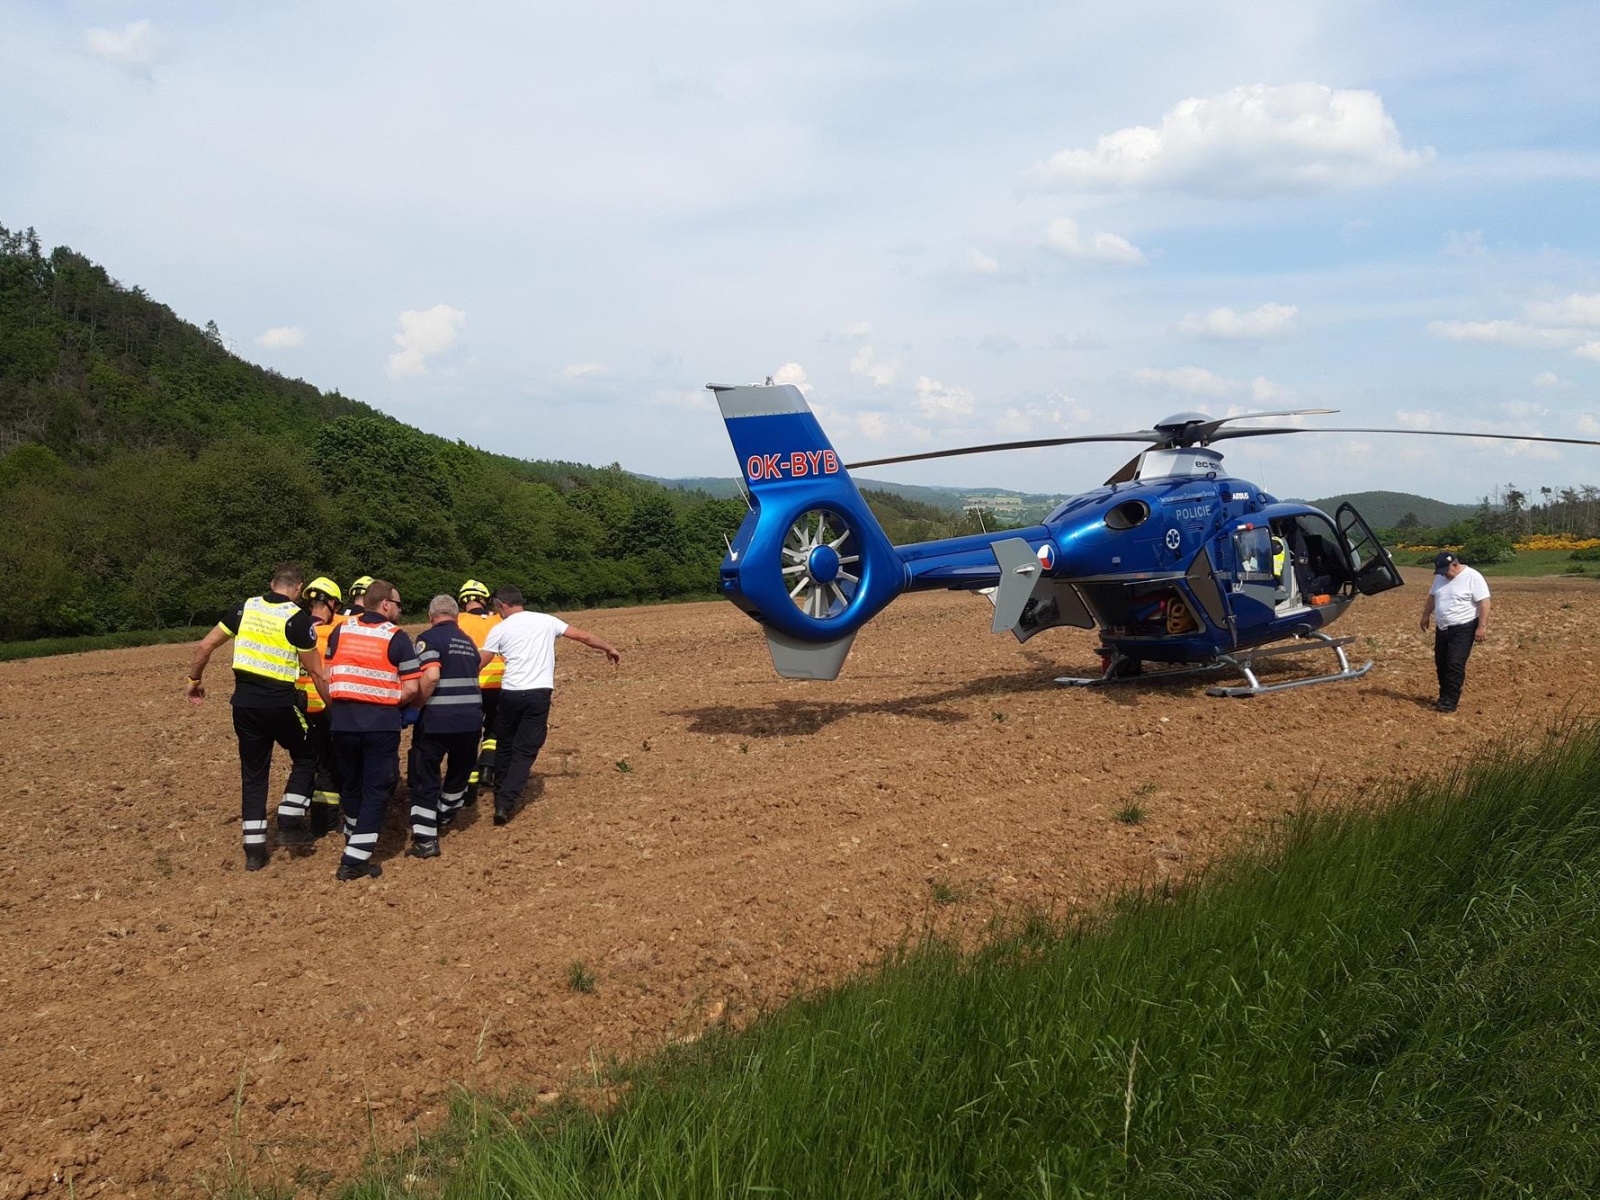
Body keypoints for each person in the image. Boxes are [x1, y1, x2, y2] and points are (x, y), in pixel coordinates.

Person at [183, 563, 327, 870]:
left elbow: (205, 646)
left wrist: (195, 681)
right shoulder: (298, 619)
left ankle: (254, 853)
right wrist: (335, 707)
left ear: (272, 583)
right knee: (308, 754)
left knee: (253, 776)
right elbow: (316, 672)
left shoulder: (244, 609)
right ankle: (289, 819)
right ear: (299, 589)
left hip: (244, 707)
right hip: (280, 705)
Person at [481, 585, 621, 826]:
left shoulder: (500, 628)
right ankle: (505, 801)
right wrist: (608, 647)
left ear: (502, 605)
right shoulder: (546, 621)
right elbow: (583, 636)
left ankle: (500, 791)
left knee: (504, 743)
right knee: (526, 749)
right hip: (538, 694)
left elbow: (481, 661)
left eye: (497, 608)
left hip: (511, 694)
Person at [323, 579, 421, 880]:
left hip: (342, 721)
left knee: (350, 784)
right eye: (399, 604)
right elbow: (412, 688)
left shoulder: (341, 630)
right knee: (376, 790)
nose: (400, 611)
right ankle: (354, 859)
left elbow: (327, 675)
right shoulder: (397, 637)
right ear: (386, 604)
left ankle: (354, 835)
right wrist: (392, 701)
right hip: (380, 722)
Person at [406, 595, 484, 858]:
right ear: (456, 615)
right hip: (471, 721)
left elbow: (431, 675)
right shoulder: (468, 642)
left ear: (431, 616)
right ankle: (444, 813)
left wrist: (415, 707)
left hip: (438, 721)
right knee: (458, 774)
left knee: (425, 777)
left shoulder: (429, 638)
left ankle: (425, 839)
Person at [294, 577, 346, 837]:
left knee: (305, 765)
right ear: (333, 603)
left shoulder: (296, 628)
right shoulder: (334, 632)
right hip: (326, 708)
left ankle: (296, 819)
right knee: (327, 767)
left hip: (297, 711)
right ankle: (323, 823)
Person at [1419, 550, 1491, 714]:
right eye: (1440, 572)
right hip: (1443, 627)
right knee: (1441, 663)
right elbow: (1433, 597)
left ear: (1455, 565)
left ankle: (1450, 701)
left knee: (1454, 663)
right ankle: (1444, 696)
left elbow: (1484, 602)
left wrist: (1482, 627)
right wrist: (1425, 616)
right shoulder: (1440, 578)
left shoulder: (1473, 577)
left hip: (1463, 627)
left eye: (1445, 570)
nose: (1443, 574)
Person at [454, 579, 503, 802]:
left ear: (463, 601)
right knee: (493, 729)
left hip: (470, 682)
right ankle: (488, 767)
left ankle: (469, 785)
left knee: (469, 734)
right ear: (484, 599)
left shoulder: (457, 620)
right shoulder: (498, 619)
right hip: (499, 682)